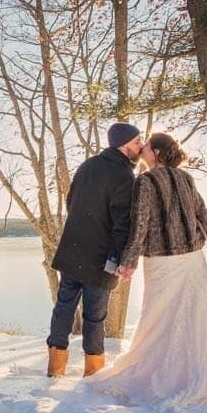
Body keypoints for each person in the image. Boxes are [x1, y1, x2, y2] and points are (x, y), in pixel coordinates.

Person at [90, 132, 207, 411]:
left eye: (147, 147)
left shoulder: (146, 182)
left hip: (163, 263)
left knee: (158, 318)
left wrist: (128, 262)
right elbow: (205, 216)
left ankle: (172, 377)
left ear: (158, 154)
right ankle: (198, 372)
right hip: (192, 260)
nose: (143, 151)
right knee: (199, 315)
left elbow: (140, 226)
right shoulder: (186, 178)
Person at [46, 123, 144, 378]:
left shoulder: (88, 165)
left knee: (63, 307)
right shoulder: (124, 175)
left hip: (72, 250)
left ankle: (55, 369)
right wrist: (122, 259)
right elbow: (123, 224)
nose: (141, 146)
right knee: (95, 316)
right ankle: (93, 373)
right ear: (124, 145)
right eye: (137, 142)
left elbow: (71, 201)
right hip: (101, 257)